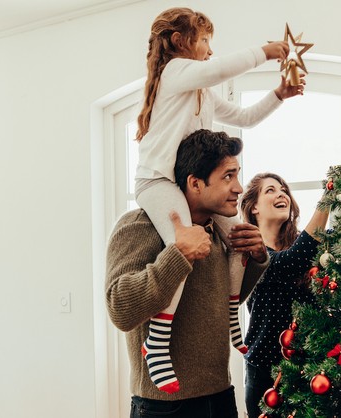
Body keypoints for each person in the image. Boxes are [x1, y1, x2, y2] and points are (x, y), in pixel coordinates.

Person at [134, 7, 305, 393]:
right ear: (181, 42)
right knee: (187, 244)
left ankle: (232, 318)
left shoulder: (203, 94)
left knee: (239, 238)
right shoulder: (174, 72)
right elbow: (217, 69)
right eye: (206, 41)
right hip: (158, 182)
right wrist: (266, 51)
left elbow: (244, 117)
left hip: (183, 184)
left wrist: (279, 94)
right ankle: (157, 340)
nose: (211, 50)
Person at [106, 129, 270, 418]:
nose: (239, 188)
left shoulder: (217, 229)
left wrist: (256, 259)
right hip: (165, 406)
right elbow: (121, 309)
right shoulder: (139, 225)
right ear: (195, 182)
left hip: (221, 396)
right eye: (228, 177)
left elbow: (216, 303)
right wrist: (178, 255)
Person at [238, 173, 330, 417]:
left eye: (284, 190)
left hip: (313, 368)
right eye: (270, 190)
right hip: (266, 372)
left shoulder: (306, 246)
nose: (281, 194)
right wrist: (329, 196)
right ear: (254, 207)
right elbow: (289, 262)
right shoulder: (250, 253)